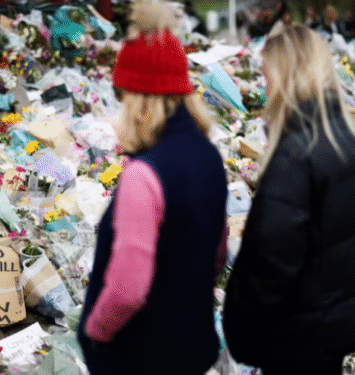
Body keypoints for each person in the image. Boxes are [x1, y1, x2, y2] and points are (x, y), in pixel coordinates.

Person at [78, 1, 228, 374]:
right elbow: (218, 251)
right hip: (191, 345)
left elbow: (128, 289)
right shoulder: (209, 156)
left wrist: (94, 331)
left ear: (139, 99)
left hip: (141, 354)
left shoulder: (143, 176)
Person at [223, 23, 355, 375]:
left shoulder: (296, 156)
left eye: (267, 76)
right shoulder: (352, 143)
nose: (264, 88)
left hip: (295, 333)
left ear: (288, 75)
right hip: (332, 324)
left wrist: (241, 329)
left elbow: (272, 260)